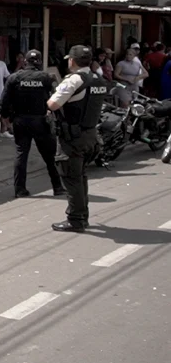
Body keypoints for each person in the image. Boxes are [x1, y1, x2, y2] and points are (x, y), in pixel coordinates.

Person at [47, 45, 108, 232]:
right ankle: (82, 216)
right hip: (90, 135)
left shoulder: (74, 80)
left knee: (72, 178)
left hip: (73, 138)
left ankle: (76, 219)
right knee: (80, 177)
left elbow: (53, 104)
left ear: (72, 61)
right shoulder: (98, 79)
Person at [1, 50, 65, 199]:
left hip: (20, 120)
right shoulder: (46, 78)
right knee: (49, 156)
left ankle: (20, 190)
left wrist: (6, 117)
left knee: (21, 155)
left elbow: (4, 100)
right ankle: (58, 187)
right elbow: (57, 98)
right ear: (40, 62)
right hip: (40, 121)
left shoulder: (14, 77)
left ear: (25, 62)